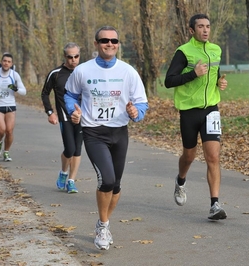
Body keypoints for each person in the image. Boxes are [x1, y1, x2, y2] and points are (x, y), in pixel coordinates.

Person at [64, 26, 148, 250]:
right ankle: (102, 226)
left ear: (118, 44)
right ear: (96, 44)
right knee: (107, 180)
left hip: (119, 132)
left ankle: (104, 222)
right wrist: (74, 109)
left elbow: (141, 102)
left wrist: (135, 113)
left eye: (114, 41)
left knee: (117, 184)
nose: (109, 44)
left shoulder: (128, 71)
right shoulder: (82, 71)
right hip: (93, 132)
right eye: (104, 40)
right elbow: (70, 95)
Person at [164, 14, 228, 220]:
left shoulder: (215, 49)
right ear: (192, 30)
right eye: (201, 26)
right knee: (189, 156)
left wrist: (220, 82)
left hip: (211, 110)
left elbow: (215, 73)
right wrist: (193, 74)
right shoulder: (183, 52)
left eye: (208, 26)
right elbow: (169, 81)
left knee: (213, 157)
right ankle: (181, 180)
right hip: (189, 111)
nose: (205, 30)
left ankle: (215, 205)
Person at [41, 42, 83, 194]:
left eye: (76, 56)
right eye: (70, 57)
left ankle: (71, 181)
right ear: (65, 57)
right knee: (70, 149)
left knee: (77, 150)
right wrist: (50, 112)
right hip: (65, 116)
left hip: (83, 117)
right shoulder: (56, 73)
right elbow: (45, 93)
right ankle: (64, 172)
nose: (73, 60)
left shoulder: (84, 72)